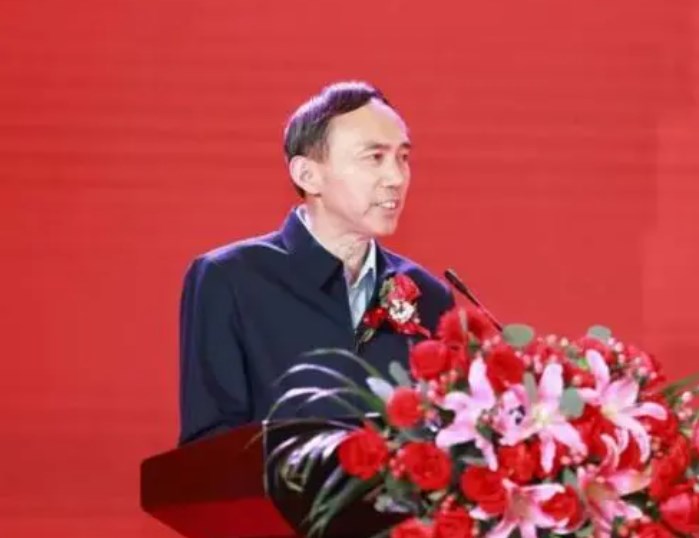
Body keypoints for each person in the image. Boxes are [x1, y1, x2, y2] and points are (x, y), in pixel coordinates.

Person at [178, 81, 455, 445]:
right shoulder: (231, 279)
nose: (397, 178)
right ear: (307, 175)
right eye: (375, 157)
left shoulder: (427, 295)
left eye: (403, 158)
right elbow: (209, 448)